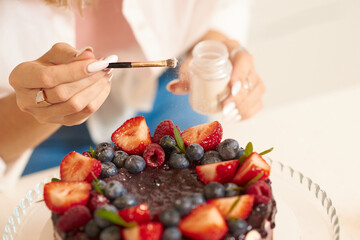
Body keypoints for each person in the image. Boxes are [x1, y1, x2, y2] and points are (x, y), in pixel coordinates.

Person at [0, 0, 265, 187]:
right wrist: (40, 104)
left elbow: (221, 8)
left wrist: (217, 47)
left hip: (166, 96)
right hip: (39, 138)